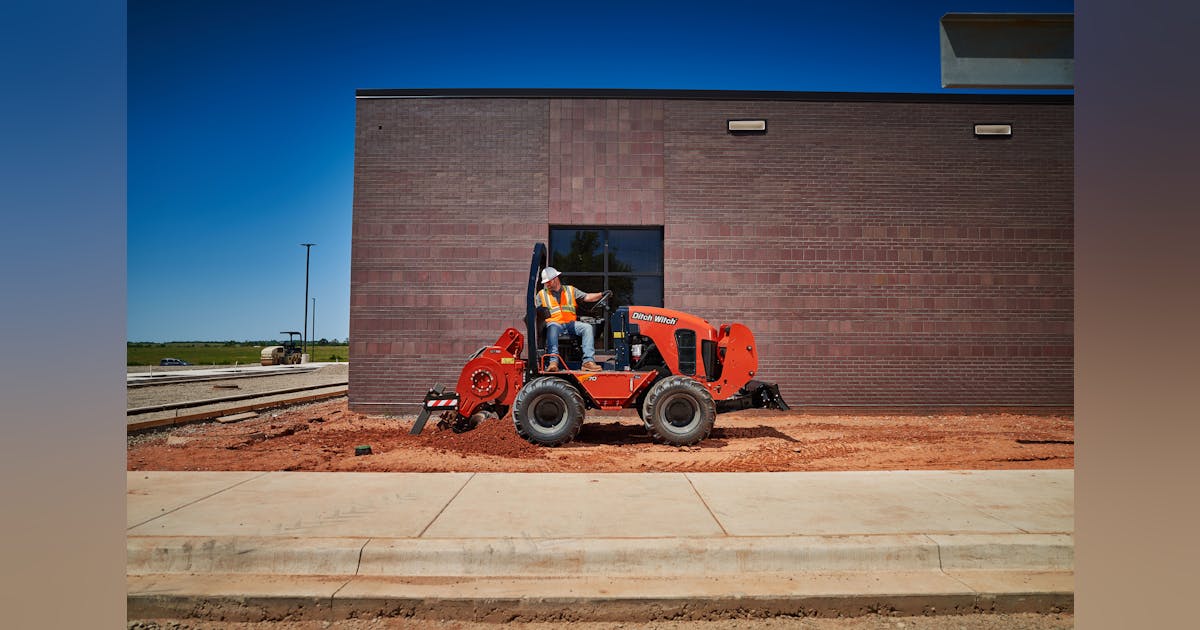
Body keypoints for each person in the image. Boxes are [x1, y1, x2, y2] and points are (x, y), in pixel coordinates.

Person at [535, 267, 610, 372]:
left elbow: (587, 297)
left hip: (571, 324)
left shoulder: (570, 290)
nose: (546, 284)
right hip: (554, 324)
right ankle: (553, 362)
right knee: (552, 328)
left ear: (555, 278)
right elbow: (535, 312)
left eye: (548, 282)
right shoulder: (541, 294)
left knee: (587, 327)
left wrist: (601, 294)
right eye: (545, 282)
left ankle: (588, 362)